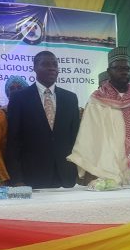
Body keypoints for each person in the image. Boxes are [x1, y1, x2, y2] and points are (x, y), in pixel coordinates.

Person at [68, 46, 130, 185]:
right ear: (109, 71)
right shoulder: (97, 100)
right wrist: (90, 168)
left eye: (127, 68)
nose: (124, 72)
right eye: (118, 68)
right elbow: (89, 136)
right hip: (106, 169)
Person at [6, 51, 80, 189]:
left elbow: (75, 137)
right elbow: (12, 142)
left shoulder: (70, 98)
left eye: (54, 64)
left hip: (66, 176)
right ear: (34, 68)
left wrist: (77, 172)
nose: (52, 68)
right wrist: (16, 179)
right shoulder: (19, 98)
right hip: (32, 176)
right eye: (45, 64)